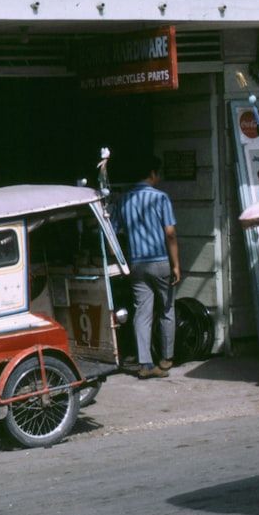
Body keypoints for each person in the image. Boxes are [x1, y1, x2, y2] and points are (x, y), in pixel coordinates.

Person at [114, 155, 180, 379]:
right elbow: (170, 233)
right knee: (167, 309)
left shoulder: (123, 200)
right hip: (160, 260)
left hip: (137, 263)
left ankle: (145, 363)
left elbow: (114, 232)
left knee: (142, 313)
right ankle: (166, 358)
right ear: (153, 173)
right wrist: (176, 265)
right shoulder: (161, 198)